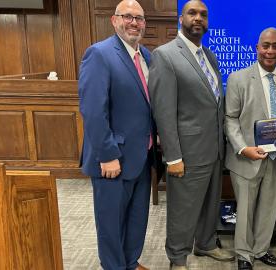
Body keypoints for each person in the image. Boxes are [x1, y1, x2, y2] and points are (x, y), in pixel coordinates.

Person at [149, 1, 234, 269]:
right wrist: (172, 156)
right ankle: (177, 258)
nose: (198, 18)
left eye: (203, 15)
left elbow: (214, 103)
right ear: (180, 18)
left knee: (210, 203)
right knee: (183, 210)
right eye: (192, 13)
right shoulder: (165, 55)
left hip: (213, 149)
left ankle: (206, 243)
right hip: (186, 152)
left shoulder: (209, 56)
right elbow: (163, 111)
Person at [78, 1, 156, 269]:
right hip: (113, 160)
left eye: (139, 18)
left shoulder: (146, 56)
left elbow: (147, 104)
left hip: (142, 156)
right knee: (111, 224)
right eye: (128, 17)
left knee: (137, 218)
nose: (134, 22)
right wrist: (108, 154)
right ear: (114, 20)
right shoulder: (99, 54)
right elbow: (92, 111)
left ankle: (131, 263)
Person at [225, 28, 276, 270]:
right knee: (244, 210)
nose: (270, 51)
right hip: (246, 158)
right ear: (257, 48)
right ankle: (244, 255)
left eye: (275, 46)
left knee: (268, 207)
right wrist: (243, 148)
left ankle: (261, 249)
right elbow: (230, 118)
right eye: (265, 45)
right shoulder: (238, 78)